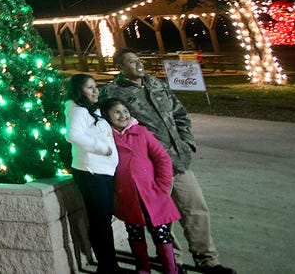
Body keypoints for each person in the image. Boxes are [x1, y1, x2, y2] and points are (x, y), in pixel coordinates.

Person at [102, 48, 235, 274]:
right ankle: (173, 261)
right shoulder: (113, 92)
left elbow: (179, 113)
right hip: (149, 167)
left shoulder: (156, 83)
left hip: (178, 160)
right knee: (162, 216)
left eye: (138, 60)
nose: (138, 64)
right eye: (131, 62)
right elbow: (110, 126)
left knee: (196, 209)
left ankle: (208, 260)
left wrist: (186, 142)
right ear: (121, 68)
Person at [101, 98, 180, 274]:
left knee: (161, 232)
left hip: (152, 193)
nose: (123, 115)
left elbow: (162, 158)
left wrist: (162, 184)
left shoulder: (141, 133)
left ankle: (171, 268)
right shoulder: (106, 137)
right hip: (127, 195)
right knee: (135, 232)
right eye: (117, 112)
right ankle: (143, 267)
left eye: (125, 111)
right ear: (107, 116)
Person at [66, 74, 120, 273]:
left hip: (102, 171)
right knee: (100, 221)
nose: (95, 90)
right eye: (89, 88)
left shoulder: (91, 110)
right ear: (79, 91)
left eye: (96, 86)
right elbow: (72, 135)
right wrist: (101, 148)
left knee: (104, 220)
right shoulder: (79, 110)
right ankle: (107, 267)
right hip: (91, 172)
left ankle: (110, 264)